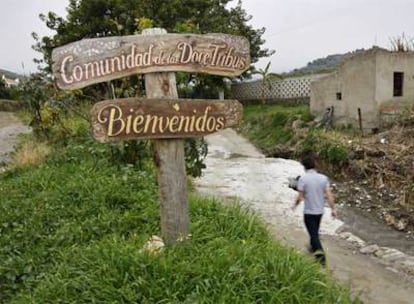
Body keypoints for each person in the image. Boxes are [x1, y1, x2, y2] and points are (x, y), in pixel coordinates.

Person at [292, 156, 336, 265]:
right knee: (314, 232)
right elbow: (329, 195)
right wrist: (333, 209)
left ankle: (321, 259)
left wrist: (294, 206)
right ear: (314, 166)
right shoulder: (323, 178)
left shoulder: (303, 179)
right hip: (320, 212)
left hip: (309, 212)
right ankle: (312, 248)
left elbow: (300, 197)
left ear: (304, 167)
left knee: (314, 235)